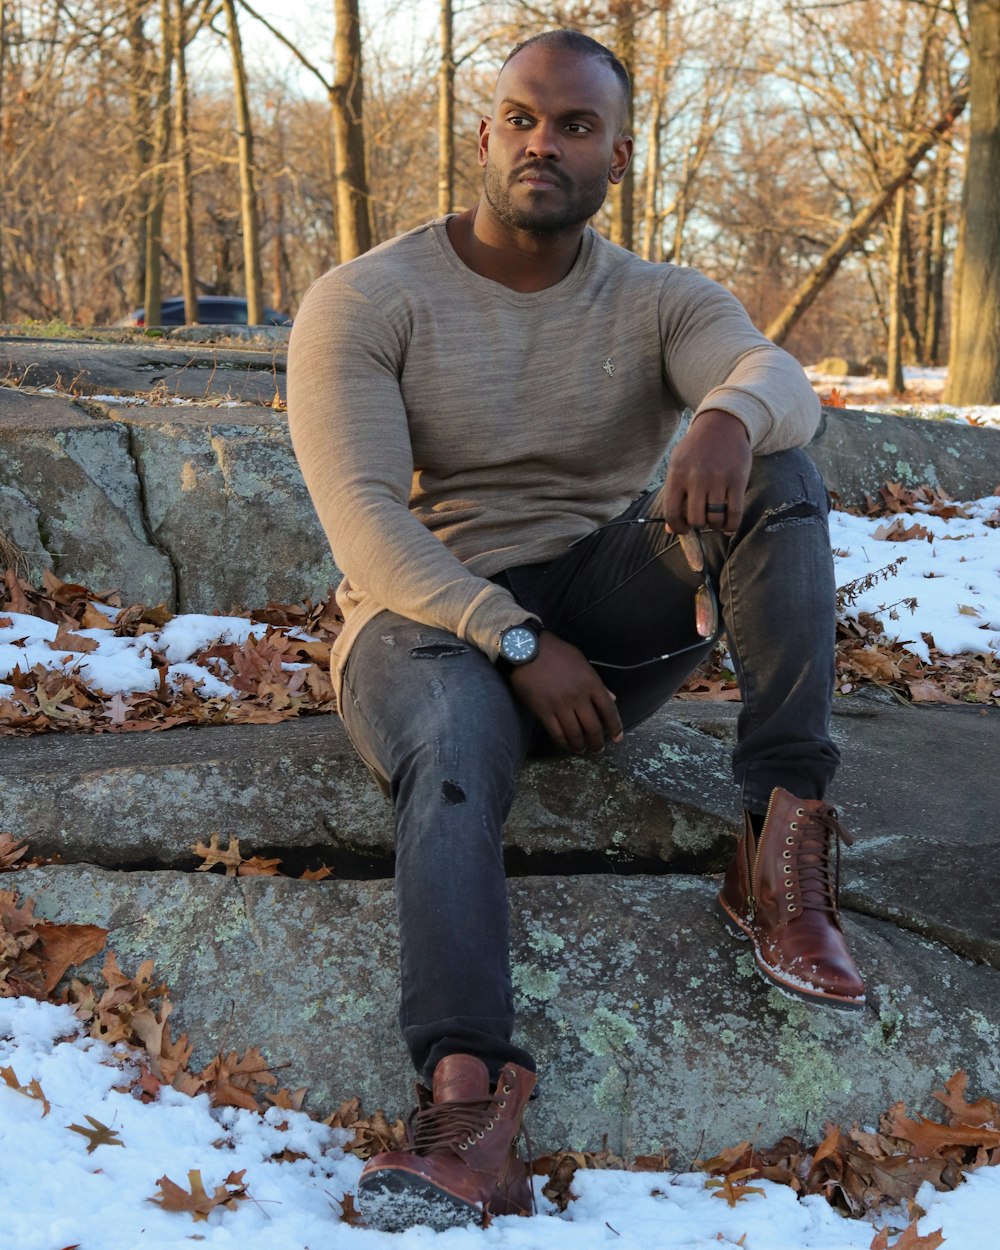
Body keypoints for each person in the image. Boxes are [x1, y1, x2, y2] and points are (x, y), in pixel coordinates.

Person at [287, 28, 865, 1234]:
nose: (542, 142)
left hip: (602, 600)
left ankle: (779, 847)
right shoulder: (368, 297)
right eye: (521, 117)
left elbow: (780, 376)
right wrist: (511, 641)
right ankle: (466, 1107)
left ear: (617, 155)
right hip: (425, 623)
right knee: (451, 745)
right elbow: (363, 526)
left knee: (779, 464)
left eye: (575, 126)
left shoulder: (658, 298)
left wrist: (724, 413)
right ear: (483, 134)